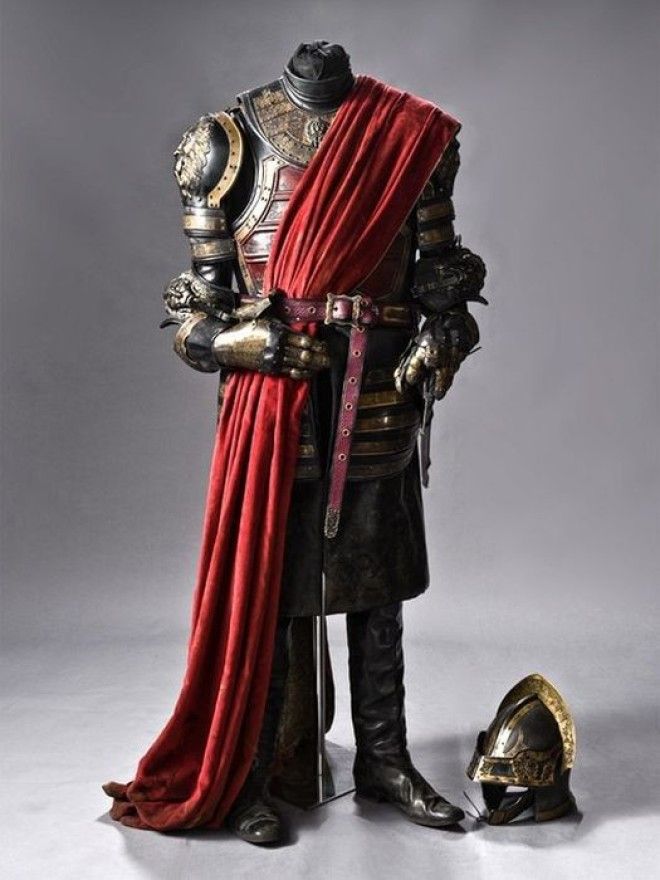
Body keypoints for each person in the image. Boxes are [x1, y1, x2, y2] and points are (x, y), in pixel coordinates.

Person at [126, 40, 487, 845]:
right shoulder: (223, 143)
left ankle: (385, 760)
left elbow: (442, 277)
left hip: (378, 386)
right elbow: (199, 308)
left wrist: (444, 339)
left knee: (378, 585)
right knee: (275, 586)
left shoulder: (409, 137)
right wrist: (238, 344)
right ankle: (257, 771)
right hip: (274, 396)